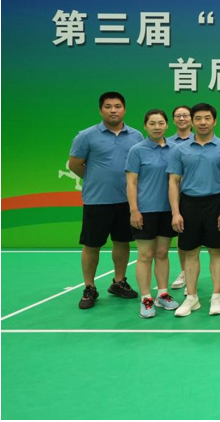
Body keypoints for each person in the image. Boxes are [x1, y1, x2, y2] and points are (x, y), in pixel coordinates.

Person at [69, 92, 143, 309]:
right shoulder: (86, 136)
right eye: (108, 106)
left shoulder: (136, 136)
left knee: (122, 242)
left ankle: (119, 282)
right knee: (92, 245)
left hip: (126, 201)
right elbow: (75, 164)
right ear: (100, 110)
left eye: (117, 106)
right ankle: (89, 287)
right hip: (97, 200)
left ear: (124, 109)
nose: (113, 110)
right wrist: (95, 179)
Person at [167, 103, 220, 317]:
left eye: (207, 118)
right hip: (188, 204)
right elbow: (173, 182)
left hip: (216, 203)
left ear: (214, 121)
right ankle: (191, 297)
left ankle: (216, 296)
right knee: (190, 252)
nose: (203, 122)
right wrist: (176, 212)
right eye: (198, 118)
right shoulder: (180, 149)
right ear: (192, 121)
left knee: (215, 251)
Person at [125, 109, 179, 318]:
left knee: (162, 253)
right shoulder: (137, 150)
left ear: (167, 125)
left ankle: (162, 294)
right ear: (145, 126)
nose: (157, 127)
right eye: (152, 123)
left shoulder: (175, 149)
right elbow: (131, 182)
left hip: (168, 210)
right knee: (145, 255)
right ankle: (146, 298)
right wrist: (134, 210)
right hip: (145, 211)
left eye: (161, 123)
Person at [167, 105, 192, 291]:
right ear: (173, 120)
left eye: (185, 115)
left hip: (194, 197)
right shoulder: (166, 143)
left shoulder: (200, 139)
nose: (182, 119)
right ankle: (184, 272)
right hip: (175, 196)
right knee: (182, 238)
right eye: (178, 116)